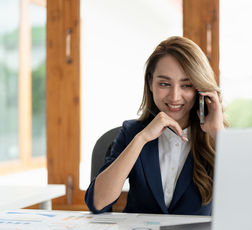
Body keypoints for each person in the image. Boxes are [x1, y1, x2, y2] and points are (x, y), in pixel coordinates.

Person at [85, 36, 228, 215]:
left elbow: (245, 204)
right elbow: (98, 203)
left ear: (200, 88)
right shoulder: (132, 133)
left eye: (186, 85)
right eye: (164, 84)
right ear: (150, 83)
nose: (175, 96)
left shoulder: (219, 138)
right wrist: (142, 138)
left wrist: (218, 133)